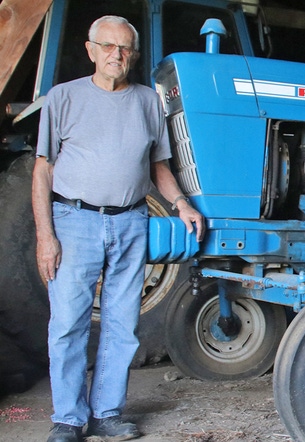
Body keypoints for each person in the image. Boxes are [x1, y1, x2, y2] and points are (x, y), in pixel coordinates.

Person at [32, 15, 204, 442]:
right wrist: (45, 236)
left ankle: (107, 414)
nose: (117, 54)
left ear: (135, 55)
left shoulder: (149, 100)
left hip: (131, 220)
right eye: (108, 46)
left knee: (122, 323)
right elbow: (42, 171)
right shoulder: (63, 97)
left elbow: (158, 165)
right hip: (74, 221)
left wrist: (181, 203)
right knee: (69, 324)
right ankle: (68, 420)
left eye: (125, 48)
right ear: (90, 50)